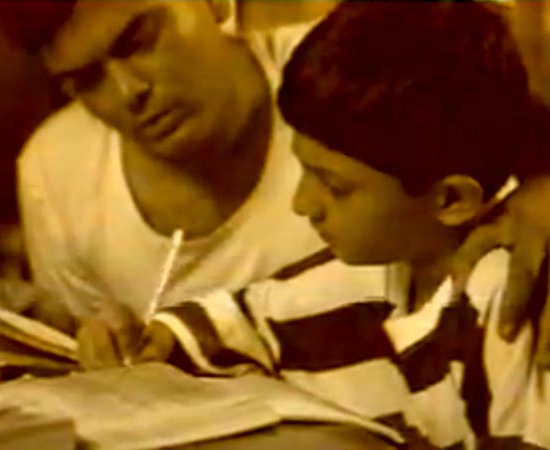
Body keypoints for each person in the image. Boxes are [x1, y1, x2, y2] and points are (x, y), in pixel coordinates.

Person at [0, 0, 550, 368]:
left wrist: (542, 192)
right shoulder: (52, 171)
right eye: (85, 80)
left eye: (139, 40)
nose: (128, 91)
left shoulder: (346, 78)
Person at [127, 2, 549, 448]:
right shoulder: (365, 275)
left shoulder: (505, 303)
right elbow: (243, 321)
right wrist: (154, 341)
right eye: (305, 172)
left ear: (450, 200)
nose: (302, 204)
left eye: (335, 187)